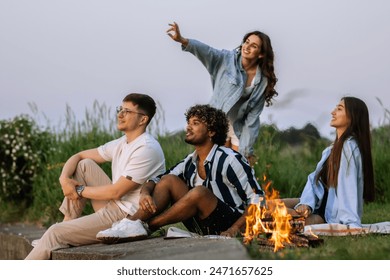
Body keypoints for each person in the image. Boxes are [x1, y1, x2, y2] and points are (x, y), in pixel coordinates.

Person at [96, 104, 265, 243]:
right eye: (188, 122)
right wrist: (145, 193)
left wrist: (234, 229)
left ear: (211, 132)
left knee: (199, 193)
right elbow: (158, 179)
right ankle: (133, 223)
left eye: (196, 123)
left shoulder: (229, 159)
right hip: (202, 224)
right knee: (169, 180)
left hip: (230, 222)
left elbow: (258, 198)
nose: (188, 127)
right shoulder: (190, 161)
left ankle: (145, 226)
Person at [25, 93, 166, 260]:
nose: (120, 114)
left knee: (54, 233)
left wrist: (77, 190)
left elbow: (116, 192)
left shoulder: (146, 149)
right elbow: (79, 155)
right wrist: (64, 179)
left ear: (143, 119)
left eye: (127, 111)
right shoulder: (122, 143)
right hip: (115, 206)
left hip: (127, 217)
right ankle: (67, 223)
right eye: (120, 109)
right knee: (85, 165)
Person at [166, 22, 278, 165]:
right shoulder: (226, 60)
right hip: (219, 121)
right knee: (215, 164)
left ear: (261, 54)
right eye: (247, 42)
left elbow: (253, 117)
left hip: (239, 126)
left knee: (238, 164)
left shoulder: (262, 80)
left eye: (254, 46)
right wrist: (183, 40)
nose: (247, 47)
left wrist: (247, 149)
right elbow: (207, 51)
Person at [282, 97, 375, 228]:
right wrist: (307, 203)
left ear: (352, 116)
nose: (333, 112)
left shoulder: (349, 148)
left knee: (275, 213)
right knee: (268, 204)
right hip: (316, 203)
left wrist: (350, 223)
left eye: (339, 109)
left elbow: (349, 189)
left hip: (326, 216)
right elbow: (314, 180)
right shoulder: (331, 149)